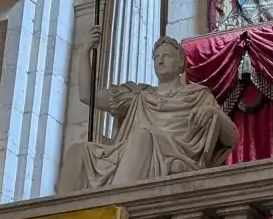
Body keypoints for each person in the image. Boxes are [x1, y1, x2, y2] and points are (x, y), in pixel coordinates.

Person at [81, 36, 237, 189]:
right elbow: (87, 96)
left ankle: (113, 205)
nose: (160, 61)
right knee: (81, 153)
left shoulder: (197, 95)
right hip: (133, 156)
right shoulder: (139, 95)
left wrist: (213, 113)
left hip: (176, 156)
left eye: (166, 56)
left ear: (181, 62)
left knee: (142, 136)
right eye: (156, 57)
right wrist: (85, 52)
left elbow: (232, 138)